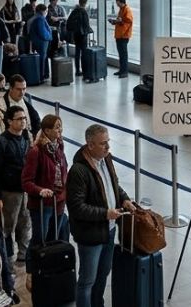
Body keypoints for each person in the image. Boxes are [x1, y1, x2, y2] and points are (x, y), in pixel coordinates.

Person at [67, 124, 135, 307]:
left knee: (103, 274)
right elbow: (76, 208)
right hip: (91, 235)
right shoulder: (78, 171)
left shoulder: (107, 159)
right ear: (90, 145)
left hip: (109, 230)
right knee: (87, 281)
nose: (108, 147)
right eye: (103, 143)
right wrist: (105, 214)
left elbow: (113, 186)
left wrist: (124, 199)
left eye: (108, 142)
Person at [22, 114, 70, 278]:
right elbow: (26, 181)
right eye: (57, 127)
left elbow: (63, 171)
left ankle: (49, 268)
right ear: (47, 130)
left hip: (58, 202)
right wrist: (40, 190)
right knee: (39, 239)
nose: (60, 130)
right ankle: (31, 271)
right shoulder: (36, 151)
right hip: (42, 205)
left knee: (53, 239)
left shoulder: (59, 146)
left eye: (60, 126)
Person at [0, 105, 33, 265]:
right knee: (7, 228)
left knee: (25, 223)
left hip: (25, 190)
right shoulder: (1, 142)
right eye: (19, 119)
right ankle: (7, 260)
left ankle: (23, 255)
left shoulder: (26, 137)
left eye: (24, 118)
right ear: (9, 121)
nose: (23, 122)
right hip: (8, 192)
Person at [65, 0, 92, 80]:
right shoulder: (84, 12)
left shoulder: (74, 11)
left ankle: (77, 70)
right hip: (83, 35)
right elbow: (86, 25)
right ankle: (85, 71)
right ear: (85, 3)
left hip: (76, 34)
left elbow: (68, 22)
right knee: (84, 53)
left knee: (77, 53)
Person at [25, 3, 52, 81]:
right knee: (42, 59)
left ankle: (40, 75)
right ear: (42, 11)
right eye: (46, 11)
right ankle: (42, 76)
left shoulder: (32, 18)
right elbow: (42, 32)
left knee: (39, 59)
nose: (46, 13)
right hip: (42, 42)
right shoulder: (40, 19)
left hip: (34, 41)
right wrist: (50, 37)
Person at [108, 0, 132, 78]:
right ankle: (121, 70)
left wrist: (119, 21)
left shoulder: (127, 10)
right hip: (119, 35)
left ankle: (124, 72)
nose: (117, 4)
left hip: (124, 35)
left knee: (123, 54)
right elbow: (120, 20)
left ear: (122, 2)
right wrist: (114, 22)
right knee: (121, 54)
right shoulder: (121, 10)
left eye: (117, 3)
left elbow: (128, 21)